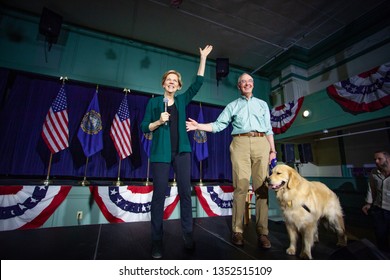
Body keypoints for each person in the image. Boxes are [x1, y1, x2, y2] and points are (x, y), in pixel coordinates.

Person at [186, 72, 276, 249]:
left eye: (249, 81)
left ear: (253, 84)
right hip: (240, 143)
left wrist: (272, 150)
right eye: (243, 81)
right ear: (239, 86)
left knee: (262, 189)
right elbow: (218, 125)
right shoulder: (232, 105)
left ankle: (263, 233)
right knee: (241, 187)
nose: (247, 83)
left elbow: (268, 129)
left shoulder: (263, 104)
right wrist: (199, 126)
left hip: (261, 143)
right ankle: (237, 231)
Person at [141, 45, 213, 259]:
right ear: (163, 83)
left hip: (182, 153)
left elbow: (198, 83)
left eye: (175, 81)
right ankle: (156, 240)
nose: (171, 82)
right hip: (161, 156)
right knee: (158, 197)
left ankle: (188, 234)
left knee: (185, 194)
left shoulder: (182, 100)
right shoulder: (154, 102)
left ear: (178, 85)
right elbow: (144, 127)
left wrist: (203, 58)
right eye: (168, 80)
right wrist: (157, 121)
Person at [361, 150, 390, 253]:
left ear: (387, 159)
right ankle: (383, 255)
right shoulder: (374, 172)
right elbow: (371, 189)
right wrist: (368, 204)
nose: (377, 161)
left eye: (379, 159)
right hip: (379, 209)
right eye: (375, 159)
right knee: (380, 234)